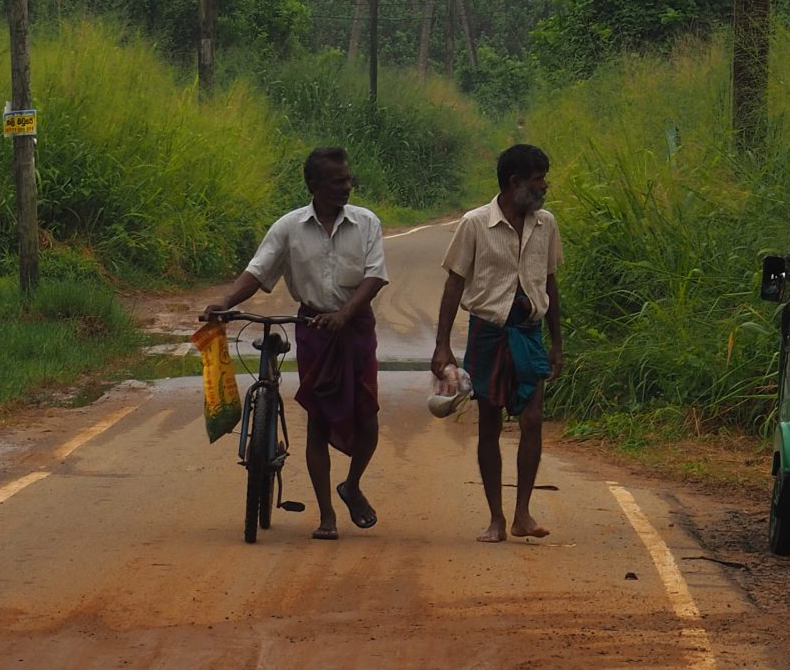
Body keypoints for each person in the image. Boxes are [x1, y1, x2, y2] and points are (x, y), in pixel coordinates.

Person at [202, 148, 386, 540]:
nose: (346, 187)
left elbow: (374, 277)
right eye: (337, 181)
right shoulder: (289, 227)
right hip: (314, 329)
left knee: (367, 416)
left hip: (355, 329)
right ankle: (326, 515)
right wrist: (225, 302)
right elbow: (258, 270)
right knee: (318, 420)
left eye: (348, 179)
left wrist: (345, 314)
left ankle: (352, 484)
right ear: (313, 185)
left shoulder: (367, 222)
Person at [431, 142, 564, 544]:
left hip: (529, 333)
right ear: (515, 182)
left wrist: (557, 342)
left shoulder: (547, 224)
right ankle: (496, 518)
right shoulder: (474, 224)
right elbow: (455, 281)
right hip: (487, 332)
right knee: (488, 424)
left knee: (533, 419)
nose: (544, 186)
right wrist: (441, 345)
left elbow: (551, 282)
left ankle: (523, 513)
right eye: (538, 178)